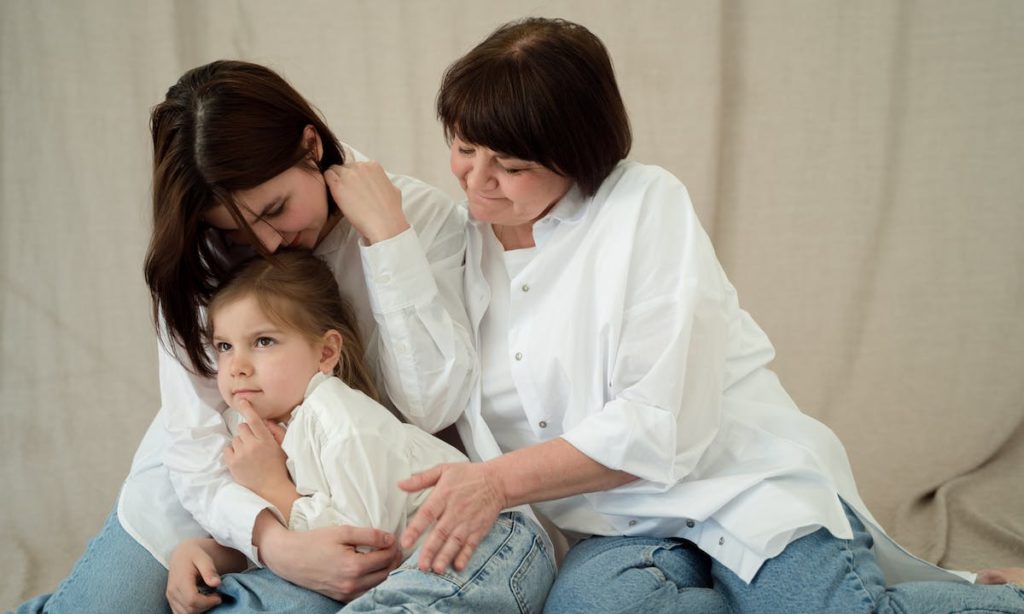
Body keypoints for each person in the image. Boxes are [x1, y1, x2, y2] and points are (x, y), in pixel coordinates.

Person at [393, 17, 1024, 613]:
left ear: (578, 157)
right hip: (613, 527)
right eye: (464, 147)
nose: (477, 181)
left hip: (738, 487)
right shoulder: (457, 240)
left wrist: (496, 483)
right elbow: (311, 161)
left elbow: (657, 423)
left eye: (511, 166)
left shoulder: (643, 204)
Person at [11, 60, 475, 614]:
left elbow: (431, 406)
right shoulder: (200, 254)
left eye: (276, 209)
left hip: (341, 501)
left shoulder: (416, 218)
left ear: (310, 146)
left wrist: (387, 239)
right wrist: (273, 544)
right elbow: (191, 439)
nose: (269, 243)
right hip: (206, 490)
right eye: (238, 230)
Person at [165, 251, 553, 613]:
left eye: (263, 342)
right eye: (225, 346)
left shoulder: (341, 420)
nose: (237, 366)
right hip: (407, 570)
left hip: (486, 539)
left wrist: (273, 488)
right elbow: (284, 546)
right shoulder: (247, 434)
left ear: (326, 353)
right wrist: (205, 551)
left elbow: (360, 555)